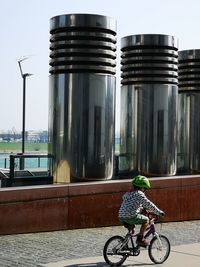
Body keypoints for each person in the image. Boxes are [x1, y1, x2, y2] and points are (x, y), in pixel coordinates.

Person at [118, 175, 164, 247]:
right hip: (130, 216)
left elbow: (132, 204)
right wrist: (159, 212)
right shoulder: (139, 194)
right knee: (146, 220)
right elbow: (149, 204)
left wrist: (142, 209)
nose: (145, 190)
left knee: (132, 231)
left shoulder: (128, 193)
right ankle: (140, 239)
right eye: (145, 188)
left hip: (121, 216)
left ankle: (123, 245)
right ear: (142, 187)